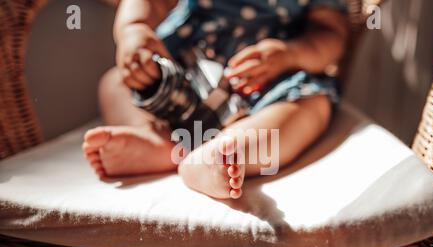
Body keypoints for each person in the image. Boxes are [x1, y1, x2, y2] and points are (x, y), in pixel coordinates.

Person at [82, 0, 349, 199]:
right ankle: (158, 143)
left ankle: (226, 153)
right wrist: (134, 30)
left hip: (264, 85)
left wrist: (288, 54)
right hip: (186, 71)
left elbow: (330, 34)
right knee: (115, 83)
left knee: (311, 105)